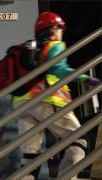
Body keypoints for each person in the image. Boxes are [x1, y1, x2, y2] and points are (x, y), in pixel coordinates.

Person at [12, 11, 101, 180]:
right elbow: (59, 69)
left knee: (30, 157)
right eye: (60, 29)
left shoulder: (28, 47)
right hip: (47, 99)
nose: (61, 33)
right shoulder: (54, 45)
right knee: (78, 140)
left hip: (21, 103)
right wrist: (86, 78)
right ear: (53, 30)